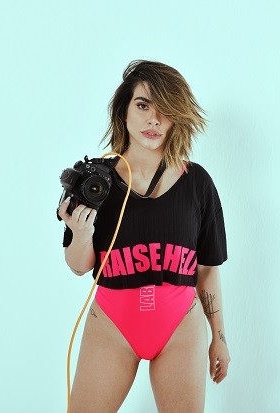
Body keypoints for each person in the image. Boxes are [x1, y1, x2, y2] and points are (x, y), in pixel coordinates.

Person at [57, 60, 230, 413]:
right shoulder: (97, 182)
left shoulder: (197, 183)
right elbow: (79, 266)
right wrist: (81, 232)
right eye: (143, 105)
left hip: (180, 328)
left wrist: (219, 338)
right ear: (124, 111)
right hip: (111, 327)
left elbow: (208, 268)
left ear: (177, 118)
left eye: (165, 110)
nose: (154, 120)